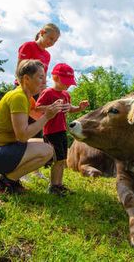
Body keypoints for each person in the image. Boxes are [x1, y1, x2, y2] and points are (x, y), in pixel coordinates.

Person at [0, 59, 64, 195]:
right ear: (26, 79)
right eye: (40, 77)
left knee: (48, 144)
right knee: (47, 150)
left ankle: (11, 179)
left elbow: (36, 113)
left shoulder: (25, 97)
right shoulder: (18, 97)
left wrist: (56, 108)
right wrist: (47, 116)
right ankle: (5, 183)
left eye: (45, 77)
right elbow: (22, 136)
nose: (44, 82)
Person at [36, 63, 89, 196]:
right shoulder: (48, 92)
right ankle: (53, 186)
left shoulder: (66, 94)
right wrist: (50, 107)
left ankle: (59, 185)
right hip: (51, 132)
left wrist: (79, 108)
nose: (68, 85)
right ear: (55, 77)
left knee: (62, 160)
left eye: (70, 83)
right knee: (57, 160)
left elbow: (69, 108)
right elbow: (37, 107)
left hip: (61, 131)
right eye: (65, 82)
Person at [17, 23, 61, 180]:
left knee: (38, 128)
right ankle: (20, 167)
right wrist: (24, 92)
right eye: (50, 38)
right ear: (42, 33)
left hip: (38, 94)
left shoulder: (47, 56)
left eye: (55, 41)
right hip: (24, 92)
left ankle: (34, 167)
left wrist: (44, 93)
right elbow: (20, 70)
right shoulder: (28, 46)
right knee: (24, 127)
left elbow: (42, 77)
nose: (52, 43)